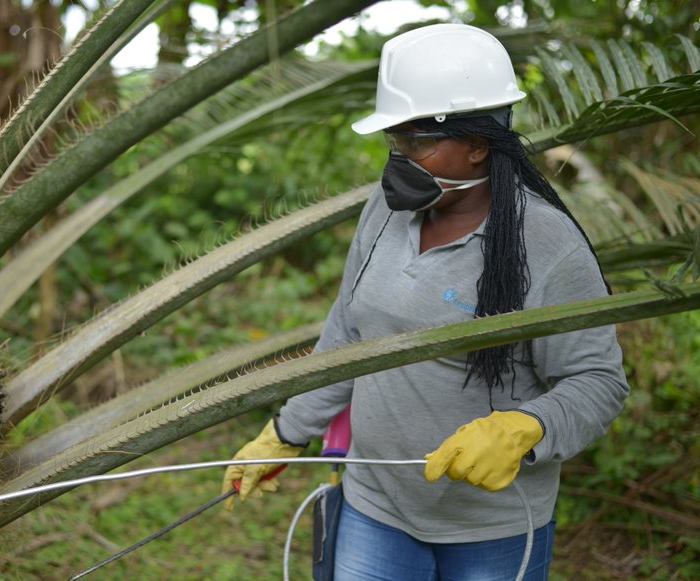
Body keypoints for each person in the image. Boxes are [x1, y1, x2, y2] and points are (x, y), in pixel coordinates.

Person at [221, 23, 629, 581]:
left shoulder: (548, 244)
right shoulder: (385, 210)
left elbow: (598, 382)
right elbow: (347, 334)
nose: (400, 158)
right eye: (395, 140)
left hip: (492, 530)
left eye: (418, 141)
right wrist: (286, 432)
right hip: (373, 506)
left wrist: (524, 429)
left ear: (479, 145)